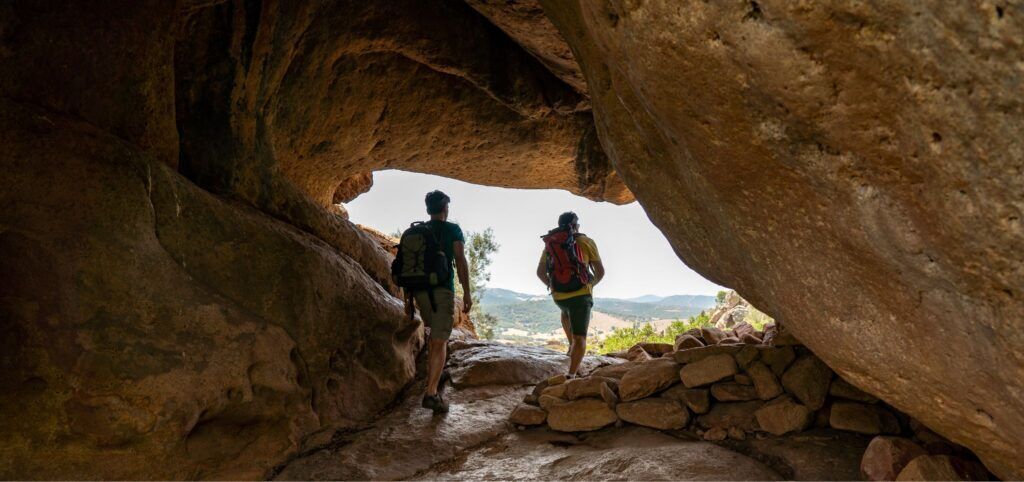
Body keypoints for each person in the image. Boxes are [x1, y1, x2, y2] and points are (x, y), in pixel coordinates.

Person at [404, 190, 471, 413]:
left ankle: (436, 372)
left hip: (421, 291)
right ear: (445, 209)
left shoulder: (419, 231)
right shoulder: (453, 230)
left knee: (435, 336)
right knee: (440, 341)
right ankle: (431, 394)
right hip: (442, 290)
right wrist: (468, 293)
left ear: (428, 209)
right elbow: (460, 261)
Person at [536, 212, 604, 377]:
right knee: (580, 338)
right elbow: (600, 272)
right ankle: (571, 376)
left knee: (566, 313)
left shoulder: (551, 243)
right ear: (575, 225)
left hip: (559, 296)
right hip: (580, 296)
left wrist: (553, 287)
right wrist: (589, 285)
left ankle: (570, 349)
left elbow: (540, 273)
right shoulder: (586, 242)